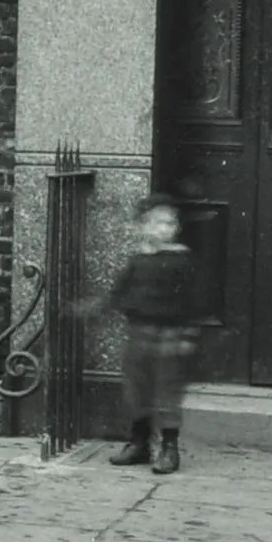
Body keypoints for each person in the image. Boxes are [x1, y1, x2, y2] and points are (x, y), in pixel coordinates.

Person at [106, 198, 203, 474]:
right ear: (143, 227)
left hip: (170, 335)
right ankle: (139, 443)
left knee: (167, 392)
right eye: (157, 222)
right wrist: (101, 306)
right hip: (139, 333)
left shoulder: (182, 259)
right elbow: (119, 291)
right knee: (137, 389)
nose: (165, 229)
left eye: (170, 222)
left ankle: (169, 448)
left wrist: (188, 333)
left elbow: (194, 300)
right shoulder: (139, 260)